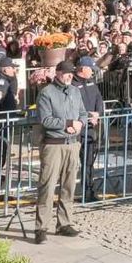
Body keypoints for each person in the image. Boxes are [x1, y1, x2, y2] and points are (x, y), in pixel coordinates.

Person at [35, 62, 88, 244]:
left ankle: (64, 223)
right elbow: (46, 120)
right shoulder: (46, 93)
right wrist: (68, 124)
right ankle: (41, 227)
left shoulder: (75, 91)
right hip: (53, 145)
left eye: (71, 74)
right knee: (47, 186)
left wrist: (80, 123)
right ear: (58, 73)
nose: (69, 77)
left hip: (72, 144)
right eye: (66, 74)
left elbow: (83, 113)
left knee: (69, 185)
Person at [72, 57, 105, 202]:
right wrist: (86, 116)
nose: (92, 72)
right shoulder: (72, 84)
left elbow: (99, 99)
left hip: (91, 128)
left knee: (88, 162)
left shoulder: (92, 82)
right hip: (77, 128)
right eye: (90, 69)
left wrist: (98, 113)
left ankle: (88, 191)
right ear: (82, 69)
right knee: (71, 163)